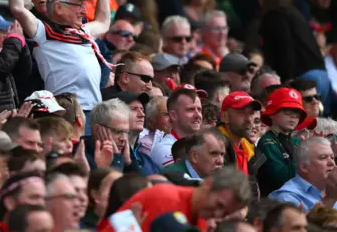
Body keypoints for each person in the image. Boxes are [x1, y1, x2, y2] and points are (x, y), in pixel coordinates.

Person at [7, 0, 111, 121]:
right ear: (59, 7)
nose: (83, 10)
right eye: (77, 5)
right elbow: (17, 8)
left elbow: (104, 21)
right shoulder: (42, 32)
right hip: (65, 113)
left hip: (94, 113)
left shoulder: (84, 31)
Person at [98, 167, 252, 231]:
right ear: (208, 183)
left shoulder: (203, 219)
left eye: (225, 214)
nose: (218, 215)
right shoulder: (164, 199)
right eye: (219, 205)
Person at [257, 88, 307, 197]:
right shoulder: (267, 142)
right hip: (275, 205)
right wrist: (302, 156)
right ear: (271, 113)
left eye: (297, 112)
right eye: (288, 110)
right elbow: (283, 179)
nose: (294, 116)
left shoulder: (296, 141)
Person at [269, 137, 337, 211]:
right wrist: (330, 198)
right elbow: (310, 222)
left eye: (332, 157)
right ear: (304, 167)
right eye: (323, 157)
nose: (331, 162)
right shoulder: (286, 197)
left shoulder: (334, 189)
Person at [150, 88, 202, 169]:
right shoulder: (164, 148)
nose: (198, 115)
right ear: (173, 115)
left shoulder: (204, 144)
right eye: (190, 110)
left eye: (199, 110)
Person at [219, 91, 261, 175]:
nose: (249, 119)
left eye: (251, 113)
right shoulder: (214, 148)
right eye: (241, 112)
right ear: (224, 117)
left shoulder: (251, 151)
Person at [161, 128, 227, 180]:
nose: (220, 161)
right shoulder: (171, 178)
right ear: (194, 156)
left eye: (222, 154)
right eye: (214, 154)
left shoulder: (222, 179)